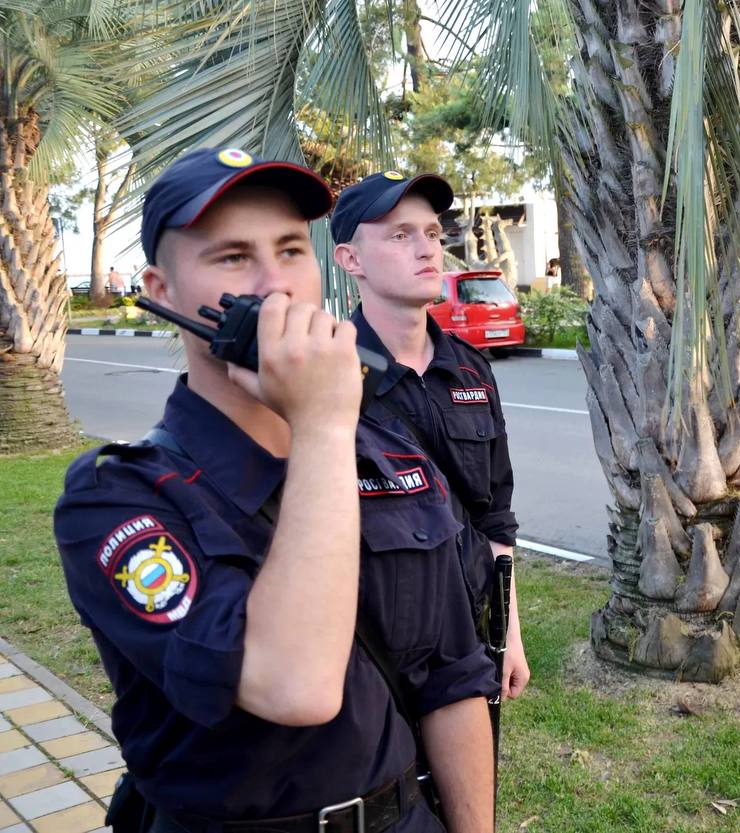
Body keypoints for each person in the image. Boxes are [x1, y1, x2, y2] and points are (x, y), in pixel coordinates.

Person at [53, 148, 495, 833]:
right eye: (232, 257)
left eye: (292, 249)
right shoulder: (116, 495)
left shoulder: (394, 459)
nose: (274, 284)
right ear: (161, 291)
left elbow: (452, 679)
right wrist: (321, 421)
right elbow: (295, 685)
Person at [331, 171, 531, 702]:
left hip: (468, 645)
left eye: (433, 234)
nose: (426, 249)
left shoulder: (469, 370)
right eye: (400, 236)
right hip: (371, 654)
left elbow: (494, 514)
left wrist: (507, 633)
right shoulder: (326, 371)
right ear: (350, 260)